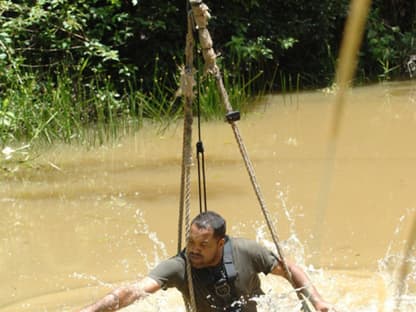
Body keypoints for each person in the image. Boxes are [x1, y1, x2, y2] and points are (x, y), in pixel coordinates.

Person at [79, 211, 332, 312]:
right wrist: (89, 311)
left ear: (221, 244)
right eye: (190, 243)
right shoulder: (180, 266)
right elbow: (133, 292)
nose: (194, 251)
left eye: (203, 245)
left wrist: (318, 301)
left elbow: (290, 270)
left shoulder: (246, 251)